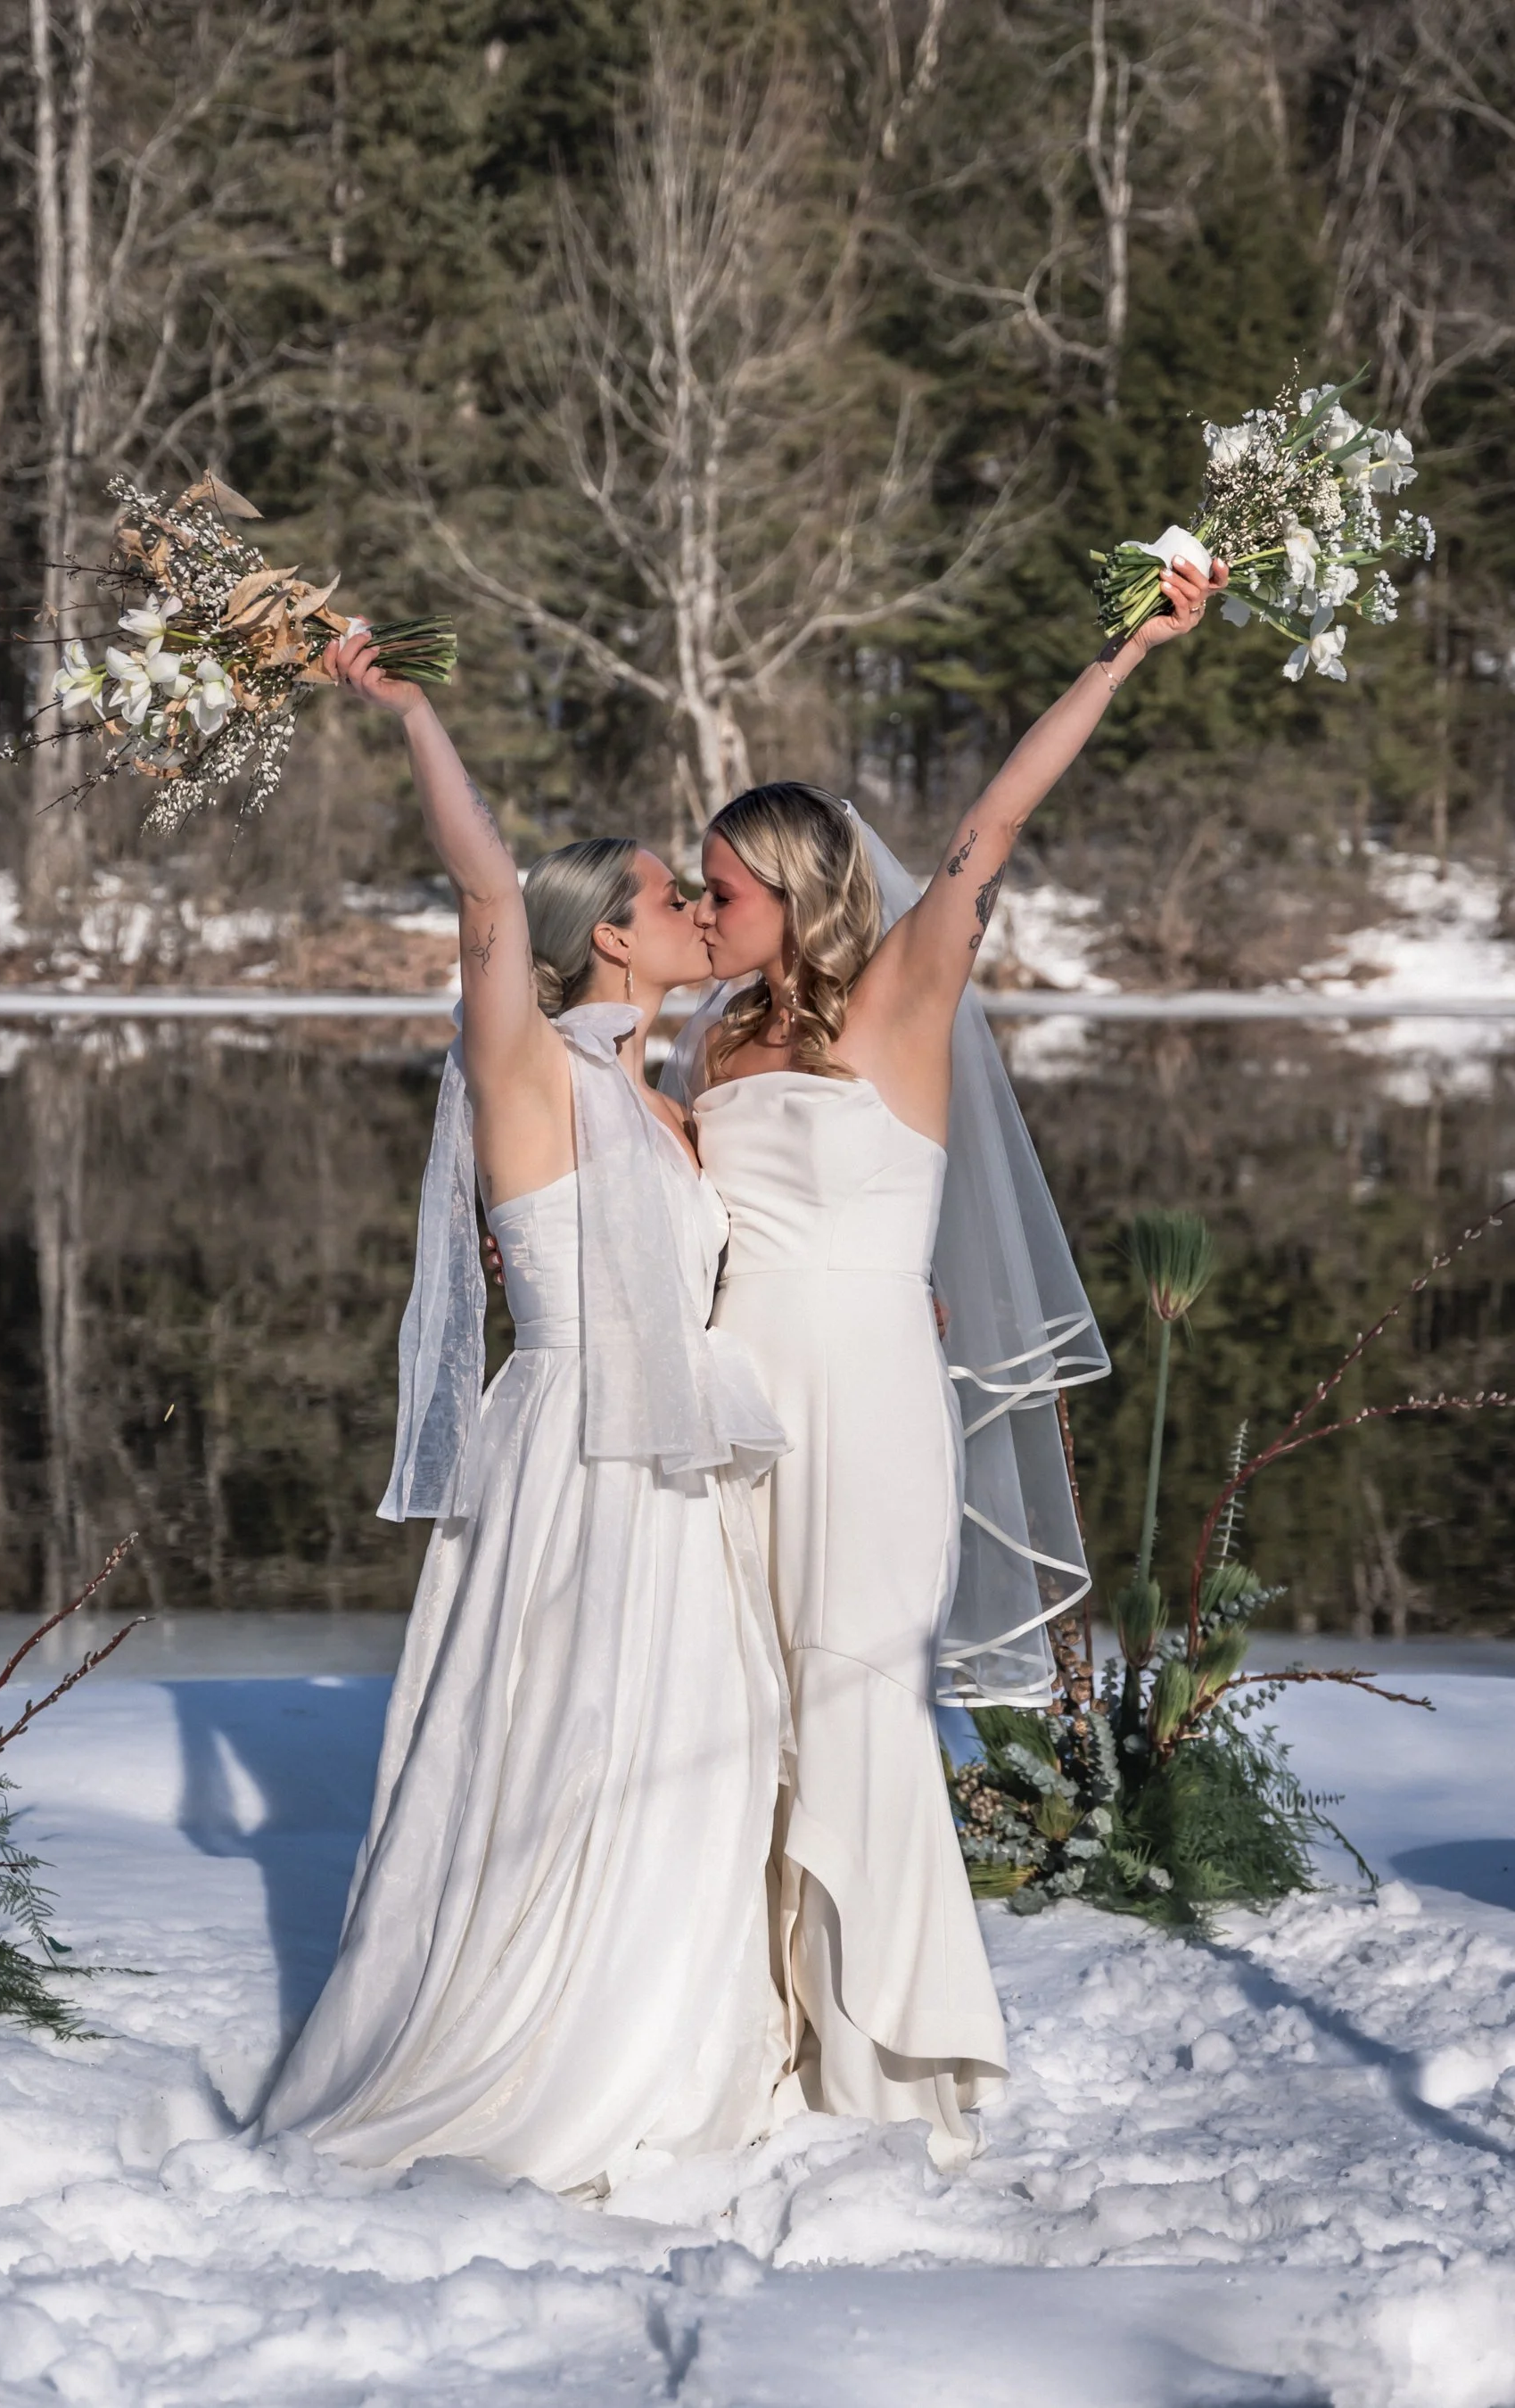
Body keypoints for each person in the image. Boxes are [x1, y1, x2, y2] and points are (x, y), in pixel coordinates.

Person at [676, 556, 1228, 2169]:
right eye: (701, 892)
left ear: (800, 888)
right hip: (733, 1401)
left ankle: (899, 2049)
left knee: (854, 1697)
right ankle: (761, 2031)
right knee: (748, 1711)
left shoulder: (905, 998)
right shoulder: (711, 1037)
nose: (707, 914)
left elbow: (990, 825)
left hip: (867, 1401)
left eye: (727, 890)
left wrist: (1126, 653)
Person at [260, 631, 790, 2195]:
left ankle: (668, 2040)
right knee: (560, 1745)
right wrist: (414, 709)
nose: (698, 911)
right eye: (667, 896)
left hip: (677, 1471)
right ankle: (529, 2050)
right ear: (604, 942)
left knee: (699, 1744)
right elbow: (489, 898)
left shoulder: (668, 1100)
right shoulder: (531, 1072)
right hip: (572, 1455)